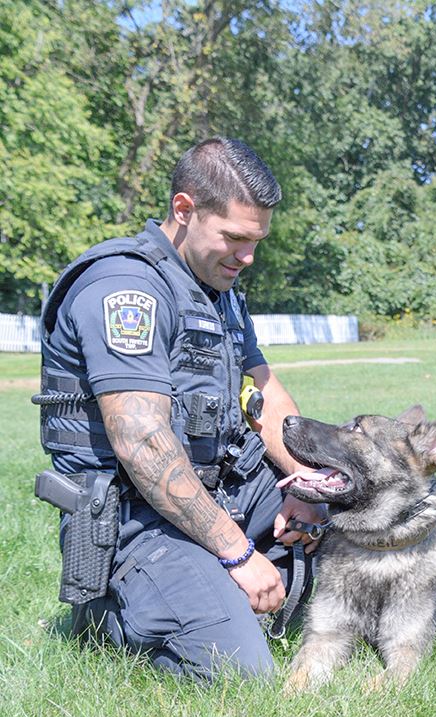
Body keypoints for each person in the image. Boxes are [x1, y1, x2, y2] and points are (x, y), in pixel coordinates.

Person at [35, 137, 324, 682]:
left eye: (256, 241)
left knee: (358, 518)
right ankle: (107, 617)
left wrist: (304, 487)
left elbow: (267, 396)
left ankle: (225, 593)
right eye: (235, 239)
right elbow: (142, 443)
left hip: (222, 491)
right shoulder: (125, 288)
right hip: (134, 518)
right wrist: (238, 554)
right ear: (184, 210)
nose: (248, 258)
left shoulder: (218, 288)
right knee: (240, 674)